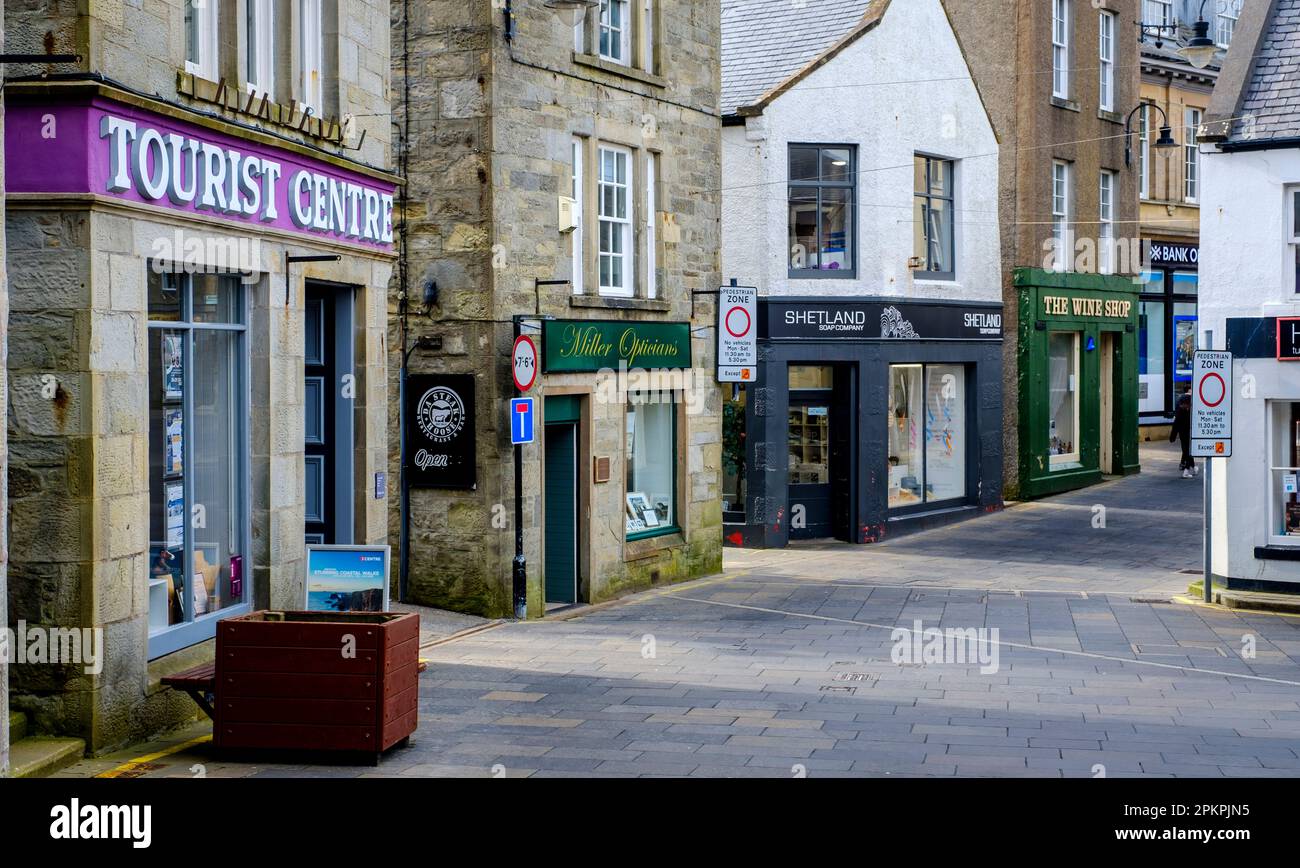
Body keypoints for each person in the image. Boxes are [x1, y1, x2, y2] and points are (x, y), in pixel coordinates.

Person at [1170, 393, 1197, 478]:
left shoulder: (1189, 411)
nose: (1181, 405)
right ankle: (1186, 471)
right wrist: (1172, 437)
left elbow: (1176, 425)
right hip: (1184, 434)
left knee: (1187, 451)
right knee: (1187, 452)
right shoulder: (1181, 412)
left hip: (1188, 434)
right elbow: (1176, 425)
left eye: (1183, 404)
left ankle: (1193, 467)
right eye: (1181, 404)